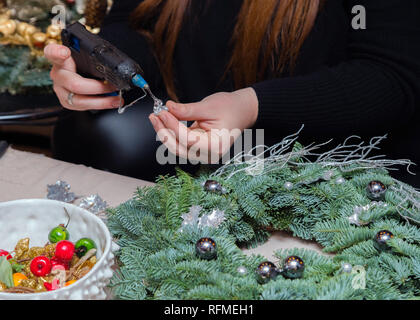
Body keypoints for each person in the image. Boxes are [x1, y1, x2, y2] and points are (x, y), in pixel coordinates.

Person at [45, 0, 420, 186]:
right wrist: (106, 64)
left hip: (327, 166)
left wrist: (253, 105)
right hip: (182, 151)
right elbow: (137, 24)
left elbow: (391, 75)